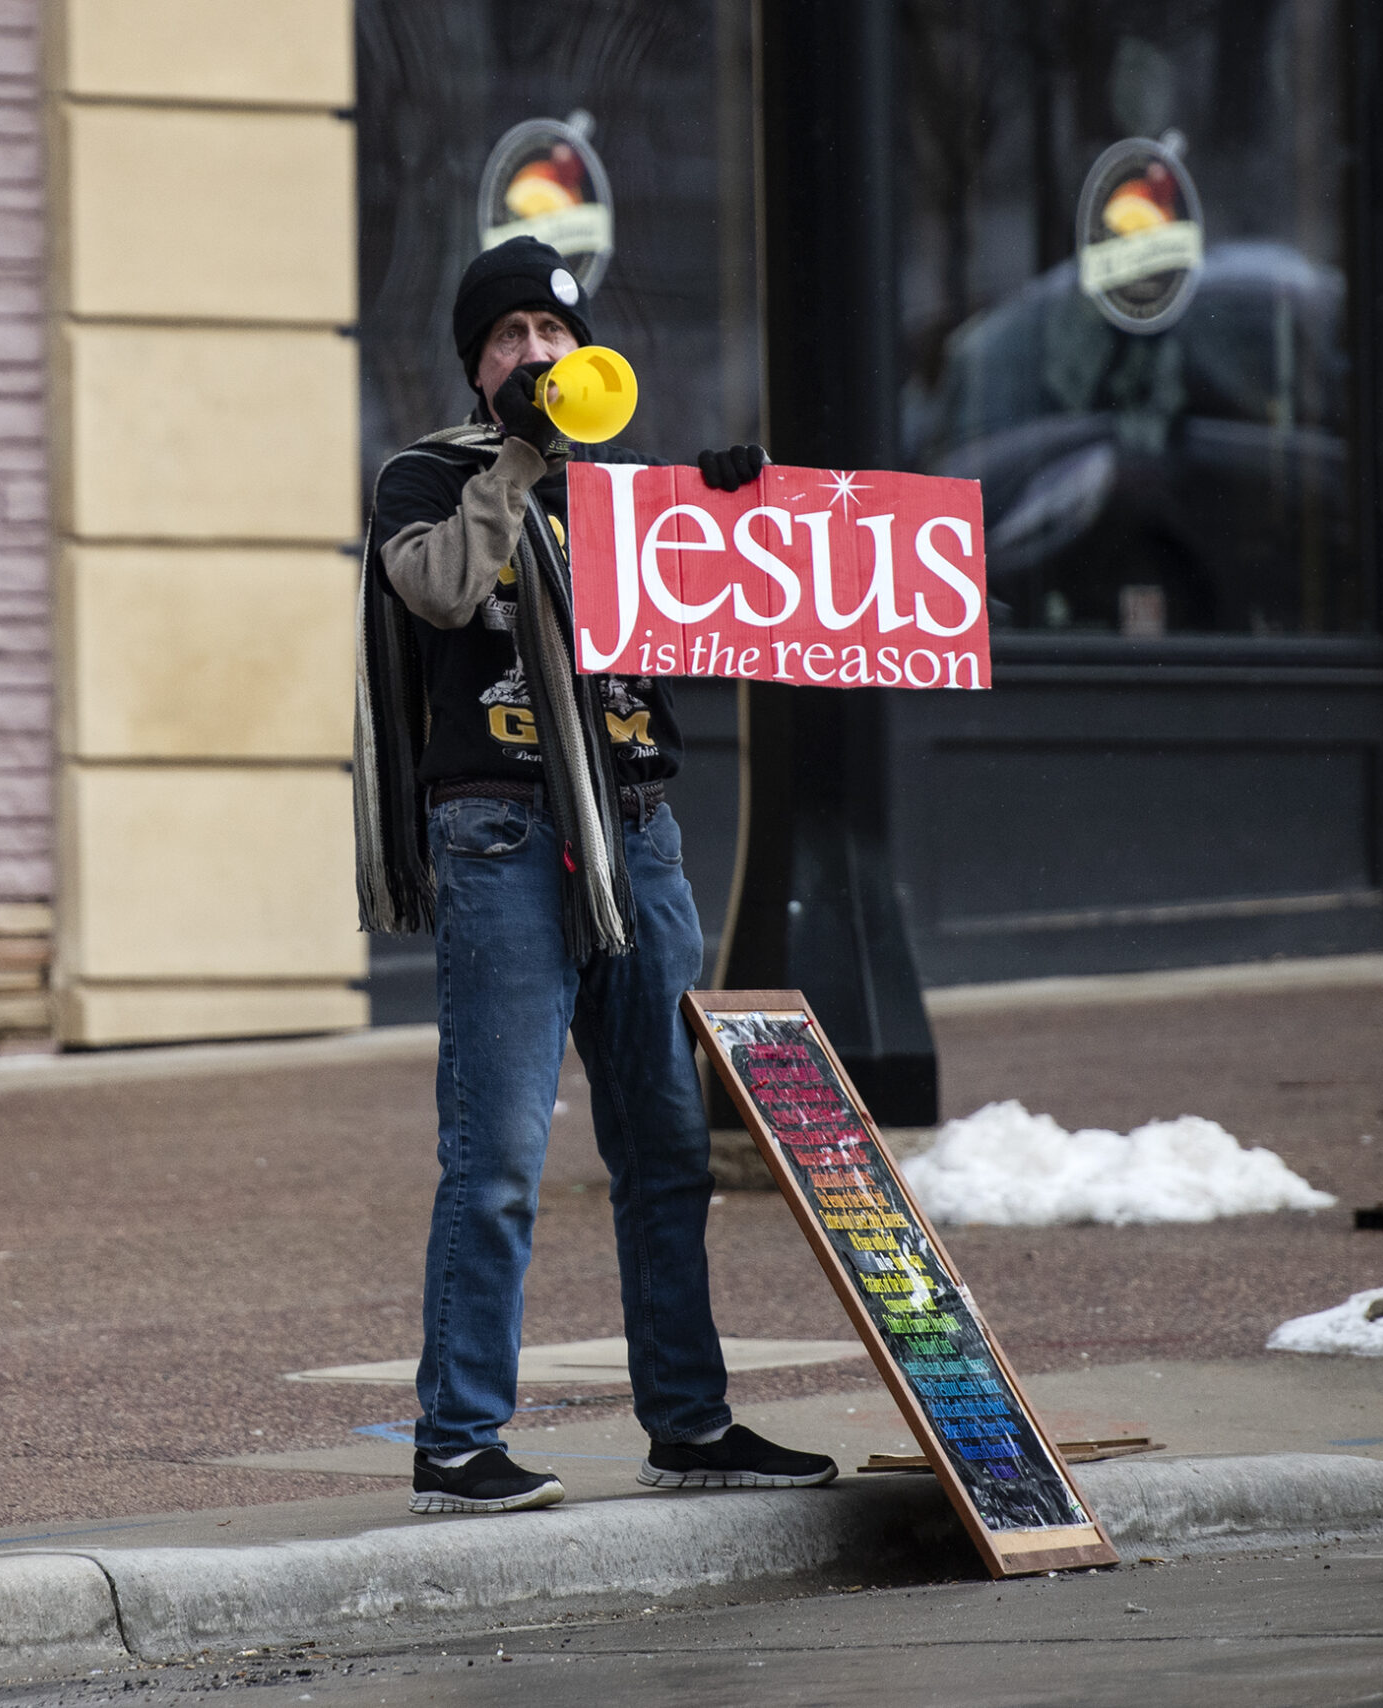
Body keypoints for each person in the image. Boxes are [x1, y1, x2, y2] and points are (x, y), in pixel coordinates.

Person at [354, 236, 838, 1515]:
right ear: (476, 362)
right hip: (501, 840)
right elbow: (445, 593)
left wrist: (734, 505)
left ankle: (688, 1423)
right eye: (508, 338)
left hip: (638, 837)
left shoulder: (629, 494)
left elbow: (754, 602)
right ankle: (458, 1440)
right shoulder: (425, 478)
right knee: (499, 1160)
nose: (535, 356)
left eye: (552, 337)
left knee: (668, 1154)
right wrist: (518, 457)